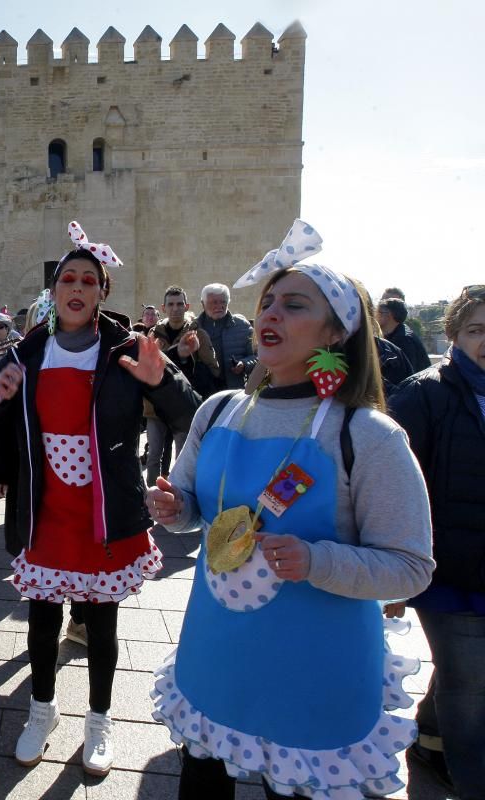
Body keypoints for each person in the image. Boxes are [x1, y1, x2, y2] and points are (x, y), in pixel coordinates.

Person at [147, 220, 435, 800]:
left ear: (337, 330)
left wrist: (315, 560)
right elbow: (194, 511)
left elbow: (411, 565)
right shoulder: (221, 410)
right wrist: (173, 507)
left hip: (315, 668)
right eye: (268, 302)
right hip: (219, 649)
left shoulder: (369, 435)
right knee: (202, 783)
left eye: (294, 304)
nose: (271, 314)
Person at [0, 222, 199, 775]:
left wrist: (161, 380)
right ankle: (40, 711)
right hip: (45, 508)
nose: (76, 286)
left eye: (88, 280)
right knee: (42, 621)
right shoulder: (29, 351)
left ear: (102, 292)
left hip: (103, 509)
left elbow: (190, 414)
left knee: (101, 623)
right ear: (54, 291)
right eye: (67, 278)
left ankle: (100, 719)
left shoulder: (124, 349)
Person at [387, 285, 485, 799]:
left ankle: (427, 737)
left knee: (464, 676)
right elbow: (392, 486)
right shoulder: (425, 393)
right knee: (470, 691)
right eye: (476, 329)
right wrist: (394, 571)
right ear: (453, 336)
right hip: (451, 573)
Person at [148, 287, 220, 485]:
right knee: (153, 453)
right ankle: (152, 497)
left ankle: (180, 495)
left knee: (183, 456)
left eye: (180, 304)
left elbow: (214, 369)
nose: (175, 309)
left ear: (187, 306)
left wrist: (195, 356)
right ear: (163, 308)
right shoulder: (154, 334)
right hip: (157, 405)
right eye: (171, 304)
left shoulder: (199, 334)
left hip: (184, 405)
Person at [196, 283, 256, 393]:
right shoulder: (193, 328)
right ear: (203, 304)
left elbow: (257, 357)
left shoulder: (242, 326)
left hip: (234, 391)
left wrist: (244, 364)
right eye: (214, 302)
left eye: (223, 302)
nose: (219, 306)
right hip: (202, 392)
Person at [377, 297, 430, 376]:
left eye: (379, 312)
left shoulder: (404, 340)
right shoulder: (397, 334)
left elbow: (408, 376)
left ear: (388, 315)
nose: (375, 316)